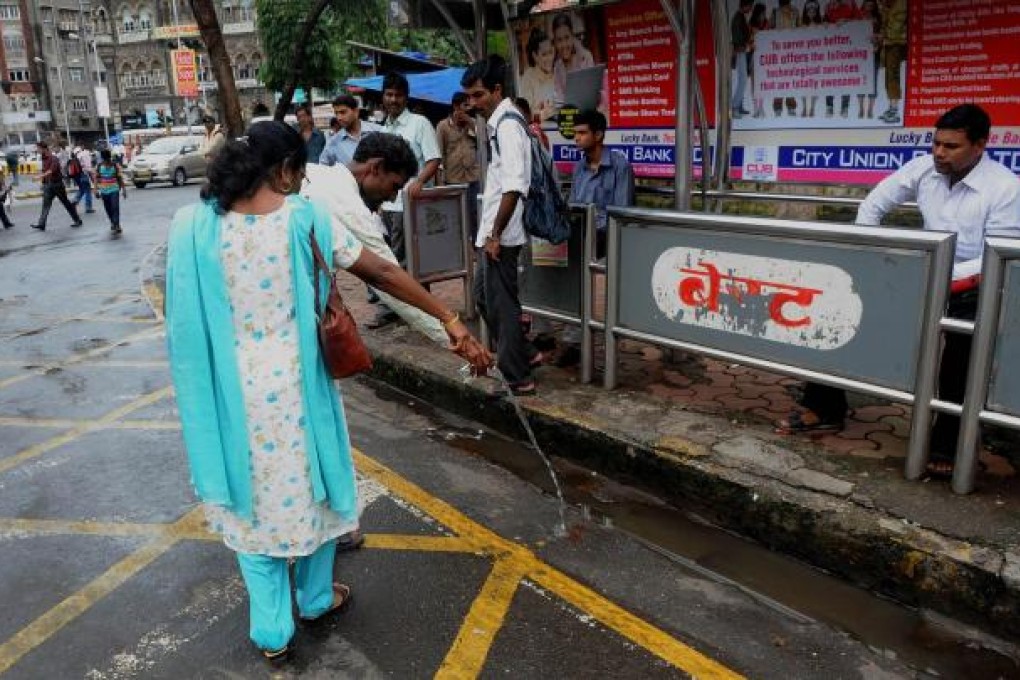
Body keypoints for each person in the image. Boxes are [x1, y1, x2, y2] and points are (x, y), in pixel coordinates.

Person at [165, 121, 491, 662]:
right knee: (310, 485)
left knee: (252, 499)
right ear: (285, 170)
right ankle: (316, 598)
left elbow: (181, 318)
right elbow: (381, 273)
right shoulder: (304, 218)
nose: (300, 182)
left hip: (232, 393)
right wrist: (449, 319)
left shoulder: (194, 226)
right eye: (299, 172)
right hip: (298, 387)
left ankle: (272, 630)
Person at [778, 104, 1020, 477]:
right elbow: (873, 205)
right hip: (925, 273)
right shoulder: (923, 168)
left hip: (975, 286)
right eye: (936, 143)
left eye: (951, 146)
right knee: (838, 311)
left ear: (980, 145)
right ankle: (824, 407)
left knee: (961, 355)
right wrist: (872, 253)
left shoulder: (1005, 188)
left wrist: (936, 275)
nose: (939, 153)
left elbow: (996, 256)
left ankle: (948, 442)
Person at [463, 55, 543, 396]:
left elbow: (514, 186)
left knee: (501, 303)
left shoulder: (508, 126)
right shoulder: (500, 124)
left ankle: (517, 376)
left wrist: (495, 235)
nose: (473, 103)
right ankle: (525, 353)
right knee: (484, 297)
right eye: (469, 96)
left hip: (503, 234)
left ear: (497, 90)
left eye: (479, 95)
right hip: (494, 230)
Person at [555, 109, 634, 368]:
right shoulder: (580, 167)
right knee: (544, 259)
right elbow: (574, 203)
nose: (576, 138)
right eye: (575, 133)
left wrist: (591, 230)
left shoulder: (619, 166)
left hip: (607, 235)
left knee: (577, 267)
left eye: (582, 133)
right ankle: (565, 337)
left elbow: (621, 210)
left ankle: (583, 339)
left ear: (598, 135)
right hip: (582, 233)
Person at [376, 71, 441, 328]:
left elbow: (434, 159)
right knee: (392, 257)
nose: (393, 100)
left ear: (406, 97)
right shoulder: (384, 128)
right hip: (388, 204)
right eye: (389, 94)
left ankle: (413, 310)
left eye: (398, 95)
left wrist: (419, 181)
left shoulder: (419, 123)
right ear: (383, 97)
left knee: (408, 259)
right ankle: (407, 309)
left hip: (410, 203)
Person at [435, 92, 481, 237]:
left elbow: (484, 141)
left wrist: (471, 123)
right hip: (453, 181)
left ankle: (475, 245)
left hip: (473, 178)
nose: (468, 108)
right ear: (456, 106)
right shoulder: (443, 126)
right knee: (456, 217)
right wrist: (440, 184)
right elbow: (438, 156)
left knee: (475, 215)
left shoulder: (474, 123)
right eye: (465, 105)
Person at [319, 94, 383, 169]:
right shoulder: (333, 143)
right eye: (336, 113)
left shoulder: (378, 131)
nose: (339, 118)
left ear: (356, 112)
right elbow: (322, 167)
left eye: (343, 112)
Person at [30, 141, 82, 231]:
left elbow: (51, 170)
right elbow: (45, 170)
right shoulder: (43, 158)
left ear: (44, 149)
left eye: (38, 148)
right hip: (48, 185)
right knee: (45, 204)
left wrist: (39, 177)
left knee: (66, 203)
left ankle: (77, 220)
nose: (37, 150)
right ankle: (41, 224)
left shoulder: (53, 158)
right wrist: (43, 183)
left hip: (57, 184)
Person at [824, 0, 861, 118]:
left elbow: (861, 22)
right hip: (832, 47)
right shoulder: (829, 5)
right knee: (829, 78)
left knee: (846, 78)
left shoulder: (851, 4)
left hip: (848, 47)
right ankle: (829, 106)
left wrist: (847, 21)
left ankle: (845, 107)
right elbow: (824, 22)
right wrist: (825, 24)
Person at [551, 12, 594, 101]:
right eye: (559, 40)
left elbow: (593, 91)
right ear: (555, 42)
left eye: (567, 38)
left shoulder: (585, 58)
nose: (564, 45)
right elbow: (559, 99)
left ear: (572, 37)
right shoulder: (557, 67)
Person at [519, 27, 559, 122]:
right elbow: (526, 115)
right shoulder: (528, 78)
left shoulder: (558, 72)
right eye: (544, 54)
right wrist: (543, 115)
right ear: (535, 56)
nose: (549, 58)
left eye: (551, 52)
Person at [877, 0, 907, 124]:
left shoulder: (901, 4)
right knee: (889, 76)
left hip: (897, 43)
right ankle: (891, 108)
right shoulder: (887, 5)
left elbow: (896, 27)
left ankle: (894, 110)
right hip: (890, 43)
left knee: (893, 75)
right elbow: (885, 24)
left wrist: (883, 36)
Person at [771, 0, 799, 117]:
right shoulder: (775, 12)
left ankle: (791, 106)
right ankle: (778, 107)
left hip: (792, 49)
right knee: (779, 79)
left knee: (790, 78)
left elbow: (800, 28)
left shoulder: (795, 11)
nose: (785, 8)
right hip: (778, 49)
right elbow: (770, 29)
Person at [92, 148, 127, 234]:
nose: (107, 161)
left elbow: (120, 178)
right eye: (105, 159)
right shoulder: (99, 166)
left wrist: (124, 189)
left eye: (108, 159)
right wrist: (95, 190)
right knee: (108, 208)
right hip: (104, 191)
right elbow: (96, 178)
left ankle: (117, 224)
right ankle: (113, 222)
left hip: (114, 189)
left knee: (115, 207)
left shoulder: (115, 166)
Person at [800, 1, 824, 117]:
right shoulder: (801, 24)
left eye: (814, 11)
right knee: (803, 84)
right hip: (803, 58)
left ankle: (812, 108)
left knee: (815, 84)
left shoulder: (821, 24)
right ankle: (804, 107)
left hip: (816, 58)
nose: (811, 13)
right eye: (809, 10)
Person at [730, 0, 754, 118]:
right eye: (750, 6)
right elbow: (737, 38)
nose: (751, 9)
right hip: (740, 51)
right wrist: (747, 47)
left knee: (742, 80)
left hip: (741, 50)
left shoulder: (739, 17)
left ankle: (738, 106)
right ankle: (734, 107)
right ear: (746, 5)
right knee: (743, 80)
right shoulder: (738, 18)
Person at [748, 3, 769, 119]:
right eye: (762, 13)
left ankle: (761, 107)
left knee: (762, 83)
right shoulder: (751, 24)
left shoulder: (766, 23)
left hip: (765, 57)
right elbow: (749, 40)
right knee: (754, 84)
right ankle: (756, 108)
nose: (763, 15)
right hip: (754, 56)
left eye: (764, 13)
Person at [71, 145, 95, 214]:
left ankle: (74, 201)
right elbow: (88, 168)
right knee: (87, 191)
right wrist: (92, 177)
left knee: (82, 189)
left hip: (77, 177)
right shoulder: (84, 154)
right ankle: (88, 207)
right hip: (84, 175)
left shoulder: (75, 158)